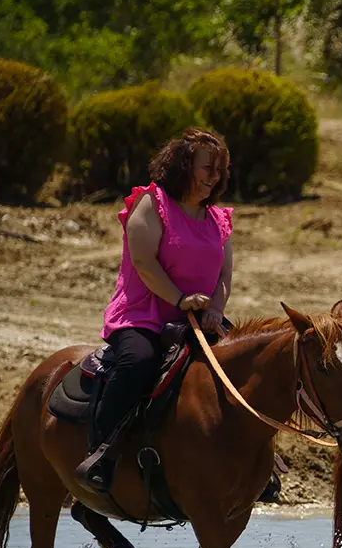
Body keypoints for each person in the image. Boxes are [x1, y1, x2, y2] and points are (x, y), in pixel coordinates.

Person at [77, 128, 233, 493]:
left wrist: (217, 308)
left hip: (197, 318)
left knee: (243, 364)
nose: (214, 177)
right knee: (138, 362)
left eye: (219, 169)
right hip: (143, 316)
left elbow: (224, 274)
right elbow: (145, 263)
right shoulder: (152, 203)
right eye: (206, 168)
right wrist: (180, 300)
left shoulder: (219, 219)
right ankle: (101, 453)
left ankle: (256, 465)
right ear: (183, 166)